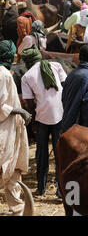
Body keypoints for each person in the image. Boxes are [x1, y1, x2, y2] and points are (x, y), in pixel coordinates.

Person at [20, 46, 67, 196]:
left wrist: (33, 123)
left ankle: (41, 188)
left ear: (27, 62)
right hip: (60, 115)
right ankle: (61, 190)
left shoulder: (26, 76)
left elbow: (28, 104)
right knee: (60, 153)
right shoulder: (56, 65)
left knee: (41, 154)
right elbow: (64, 87)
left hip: (42, 118)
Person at [0, 40, 31, 215]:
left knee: (14, 169)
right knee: (6, 166)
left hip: (12, 126)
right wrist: (20, 110)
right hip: (5, 128)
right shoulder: (2, 73)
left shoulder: (5, 72)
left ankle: (18, 208)